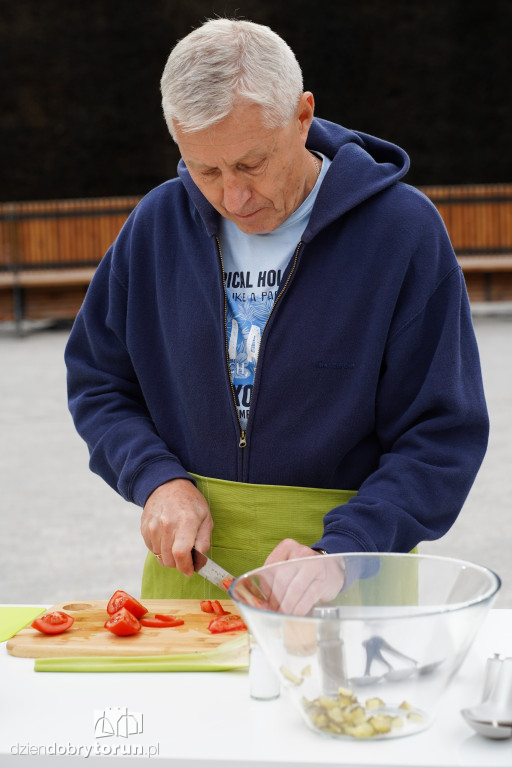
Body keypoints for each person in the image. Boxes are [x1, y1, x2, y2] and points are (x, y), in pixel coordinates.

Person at [64, 18, 489, 603]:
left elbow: (442, 434)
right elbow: (99, 382)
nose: (233, 197)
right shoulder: (154, 227)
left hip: (352, 576)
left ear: (303, 115)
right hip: (189, 583)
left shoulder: (403, 232)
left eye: (251, 164)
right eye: (206, 171)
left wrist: (343, 549)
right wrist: (155, 479)